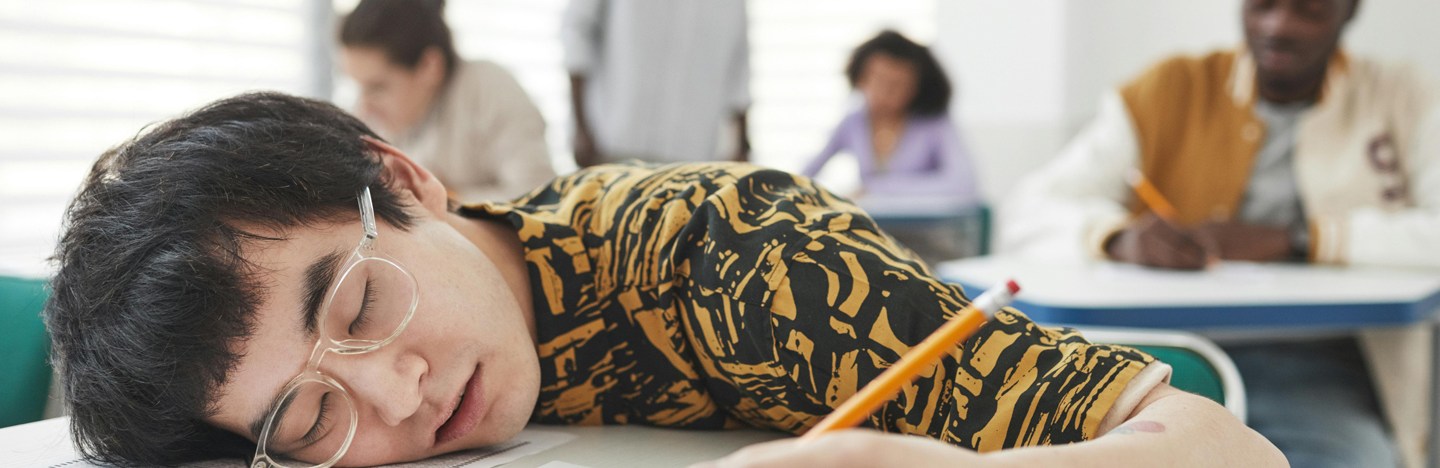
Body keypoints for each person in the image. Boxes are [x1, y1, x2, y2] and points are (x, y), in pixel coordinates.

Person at [45, 92, 1282, 467]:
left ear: (406, 179)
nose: (403, 395)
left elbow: (1228, 449)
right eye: (312, 418)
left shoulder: (738, 262)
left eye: (362, 305)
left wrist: (903, 463)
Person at [999, 0, 1439, 466]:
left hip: (1320, 367)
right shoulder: (1169, 90)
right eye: (1262, 6)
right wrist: (1117, 238)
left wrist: (1302, 239)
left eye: (1308, 10)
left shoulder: (1401, 96)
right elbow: (1029, 208)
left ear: (1348, 12)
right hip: (1161, 361)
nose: (1279, 26)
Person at [339, 0, 555, 203]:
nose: (363, 108)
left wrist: (442, 198)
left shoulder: (490, 90)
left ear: (429, 66)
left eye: (377, 87)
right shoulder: (369, 114)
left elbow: (538, 196)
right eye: (359, 87)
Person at [561, 0, 751, 167]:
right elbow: (578, 29)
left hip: (694, 159)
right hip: (614, 149)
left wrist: (742, 145)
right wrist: (580, 127)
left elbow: (738, 66)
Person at [801, 30, 981, 205]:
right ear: (860, 79)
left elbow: (963, 185)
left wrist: (876, 189)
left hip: (925, 230)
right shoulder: (852, 122)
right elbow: (804, 176)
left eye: (898, 85)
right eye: (879, 80)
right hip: (871, 229)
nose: (886, 93)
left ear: (916, 87)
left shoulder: (934, 122)